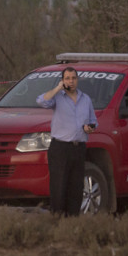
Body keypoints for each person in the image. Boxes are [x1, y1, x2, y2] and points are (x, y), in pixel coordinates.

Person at [36, 67, 97, 217]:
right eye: (67, 78)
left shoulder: (85, 99)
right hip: (60, 148)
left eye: (73, 78)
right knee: (59, 186)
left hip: (78, 147)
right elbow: (41, 101)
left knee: (76, 187)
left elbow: (93, 120)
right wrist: (58, 88)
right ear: (63, 80)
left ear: (78, 79)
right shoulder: (57, 97)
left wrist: (90, 128)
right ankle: (58, 219)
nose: (71, 81)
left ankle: (73, 220)